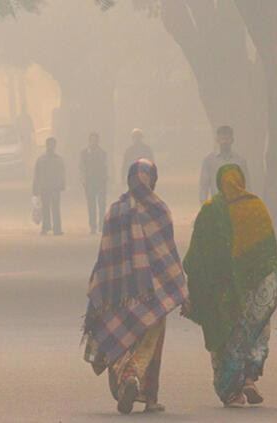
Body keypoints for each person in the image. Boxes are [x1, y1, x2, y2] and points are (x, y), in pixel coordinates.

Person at [83, 159, 188, 415]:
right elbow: (169, 253)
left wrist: (100, 289)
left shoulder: (115, 211)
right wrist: (180, 286)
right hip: (154, 293)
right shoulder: (159, 210)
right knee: (152, 342)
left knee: (123, 338)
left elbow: (105, 256)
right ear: (153, 179)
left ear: (129, 178)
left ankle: (129, 381)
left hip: (118, 294)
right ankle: (145, 391)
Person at [181, 164, 277, 407]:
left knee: (225, 337)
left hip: (221, 292)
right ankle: (248, 378)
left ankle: (230, 392)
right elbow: (269, 253)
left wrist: (194, 288)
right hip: (255, 288)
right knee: (255, 333)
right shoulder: (255, 206)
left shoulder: (210, 210)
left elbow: (196, 256)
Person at [199, 126, 250, 203]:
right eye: (222, 139)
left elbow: (246, 185)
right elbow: (204, 185)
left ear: (232, 140)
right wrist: (204, 204)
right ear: (217, 140)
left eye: (227, 139)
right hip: (217, 204)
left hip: (236, 204)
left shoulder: (240, 161)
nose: (225, 142)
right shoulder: (209, 160)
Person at [32, 137, 65, 236]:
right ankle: (46, 227)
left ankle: (57, 229)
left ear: (55, 146)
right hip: (44, 187)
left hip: (55, 187)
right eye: (49, 144)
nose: (51, 146)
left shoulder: (58, 159)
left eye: (52, 144)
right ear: (47, 145)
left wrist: (62, 184)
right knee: (45, 208)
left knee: (56, 209)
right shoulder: (41, 159)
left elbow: (62, 173)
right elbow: (37, 174)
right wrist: (35, 188)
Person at [79, 132, 107, 234]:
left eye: (95, 140)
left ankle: (101, 225)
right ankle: (93, 226)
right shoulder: (84, 153)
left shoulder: (102, 152)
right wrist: (83, 178)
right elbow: (81, 166)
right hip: (89, 181)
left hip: (100, 181)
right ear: (89, 141)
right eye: (92, 140)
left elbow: (104, 167)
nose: (93, 142)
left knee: (102, 204)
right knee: (91, 205)